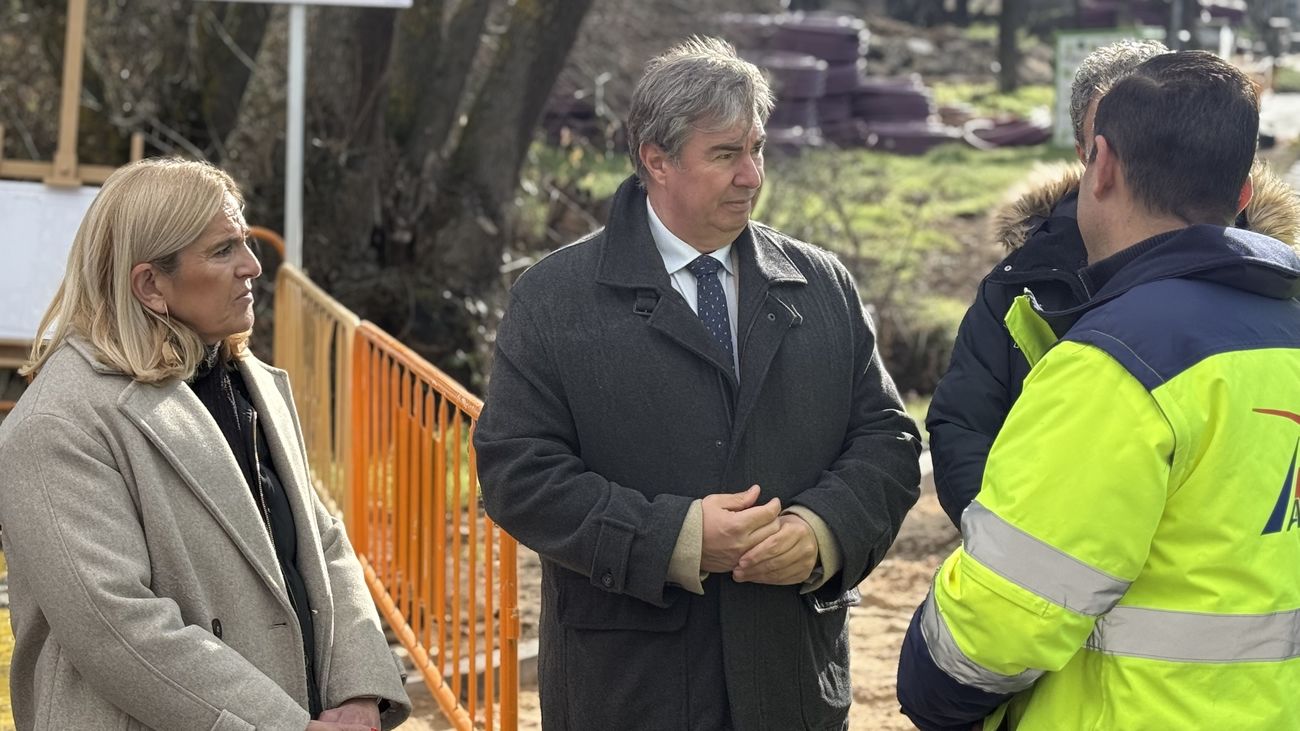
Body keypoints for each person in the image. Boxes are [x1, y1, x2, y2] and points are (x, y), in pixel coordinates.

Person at [474, 36, 922, 730]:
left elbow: (888, 442)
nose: (751, 175)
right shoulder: (554, 299)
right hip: (629, 694)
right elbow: (517, 472)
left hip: (790, 684)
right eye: (725, 154)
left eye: (758, 149)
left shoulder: (822, 284)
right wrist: (674, 537)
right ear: (656, 159)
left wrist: (823, 530)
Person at [897, 51, 1300, 730]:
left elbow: (996, 624)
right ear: (1240, 197)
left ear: (1102, 164)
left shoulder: (1117, 362)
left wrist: (927, 681)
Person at [0, 158, 410, 730]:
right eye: (223, 251)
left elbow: (321, 544)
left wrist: (361, 694)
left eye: (244, 240)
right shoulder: (58, 423)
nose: (253, 266)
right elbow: (117, 625)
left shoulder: (248, 382)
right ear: (149, 285)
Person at [926, 39, 1300, 526]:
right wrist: (1002, 532)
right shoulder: (1021, 284)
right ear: (1091, 154)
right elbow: (964, 424)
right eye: (1120, 130)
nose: (1148, 153)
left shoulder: (1278, 292)